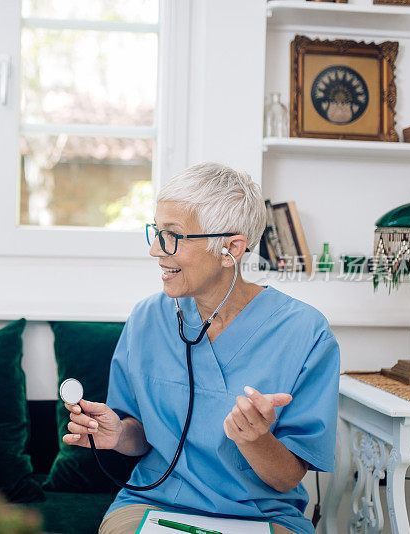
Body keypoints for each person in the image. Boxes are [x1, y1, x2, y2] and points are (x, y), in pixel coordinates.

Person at [63, 162, 340, 534]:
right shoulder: (148, 318)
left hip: (259, 515)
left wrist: (256, 439)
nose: (154, 250)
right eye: (156, 232)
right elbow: (142, 434)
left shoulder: (306, 333)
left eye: (172, 235)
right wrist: (117, 435)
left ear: (230, 248)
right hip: (153, 502)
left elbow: (287, 478)